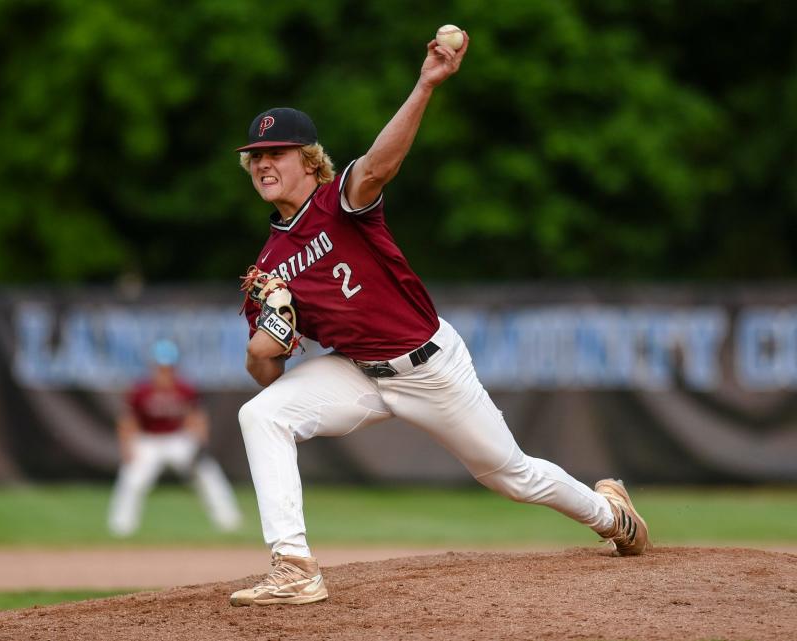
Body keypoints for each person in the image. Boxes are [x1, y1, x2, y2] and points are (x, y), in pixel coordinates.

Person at [229, 31, 649, 607]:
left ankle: (610, 514)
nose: (261, 163)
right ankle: (294, 565)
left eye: (275, 153)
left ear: (308, 159)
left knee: (511, 475)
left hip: (429, 366)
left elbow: (378, 166)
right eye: (255, 156)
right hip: (355, 373)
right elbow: (267, 372)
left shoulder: (339, 201)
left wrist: (426, 83)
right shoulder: (269, 265)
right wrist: (263, 346)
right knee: (262, 415)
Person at [107, 339, 242, 537]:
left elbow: (195, 416)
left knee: (207, 473)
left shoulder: (184, 388)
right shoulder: (142, 390)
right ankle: (120, 528)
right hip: (148, 440)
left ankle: (229, 522)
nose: (164, 371)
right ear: (154, 366)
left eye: (168, 367)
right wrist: (127, 446)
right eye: (161, 367)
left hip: (178, 439)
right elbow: (128, 421)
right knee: (132, 479)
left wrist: (199, 442)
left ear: (174, 367)